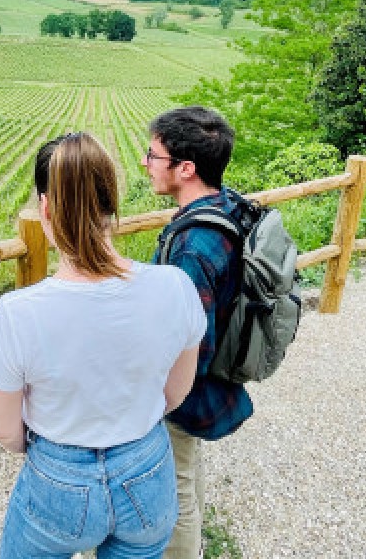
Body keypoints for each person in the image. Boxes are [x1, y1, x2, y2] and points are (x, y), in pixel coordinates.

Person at [0, 133, 207, 558]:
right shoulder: (175, 286)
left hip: (58, 477)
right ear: (112, 201)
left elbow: (4, 430)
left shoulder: (16, 313)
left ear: (46, 208)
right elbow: (175, 393)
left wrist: (53, 453)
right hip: (148, 468)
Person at [141, 106, 255, 559]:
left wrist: (159, 396)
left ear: (185, 168)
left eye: (154, 155)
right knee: (187, 473)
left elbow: (192, 345)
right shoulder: (226, 205)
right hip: (214, 380)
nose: (146, 163)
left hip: (189, 390)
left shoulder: (193, 247)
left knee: (176, 492)